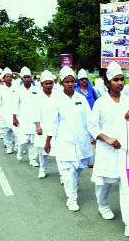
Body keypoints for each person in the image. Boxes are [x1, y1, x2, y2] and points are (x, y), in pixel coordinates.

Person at [87, 61, 129, 241]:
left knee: (126, 186)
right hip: (106, 149)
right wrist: (107, 139)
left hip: (125, 150)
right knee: (104, 183)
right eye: (116, 79)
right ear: (108, 82)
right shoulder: (101, 102)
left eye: (121, 79)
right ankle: (102, 205)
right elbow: (92, 126)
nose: (120, 82)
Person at [44, 66, 93, 212]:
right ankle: (71, 198)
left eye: (72, 81)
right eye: (67, 82)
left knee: (78, 168)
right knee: (69, 171)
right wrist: (48, 141)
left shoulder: (81, 98)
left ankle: (70, 183)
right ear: (61, 82)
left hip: (81, 140)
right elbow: (53, 122)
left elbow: (89, 119)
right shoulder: (57, 100)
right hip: (65, 141)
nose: (70, 84)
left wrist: (95, 136)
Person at [34, 70, 59, 179]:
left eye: (50, 83)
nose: (49, 85)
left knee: (59, 151)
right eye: (46, 83)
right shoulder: (37, 96)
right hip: (43, 126)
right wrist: (38, 126)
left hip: (56, 127)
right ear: (42, 84)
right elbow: (35, 111)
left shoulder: (58, 95)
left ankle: (63, 174)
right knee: (42, 150)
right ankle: (42, 169)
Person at [14, 66, 39, 166]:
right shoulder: (18, 89)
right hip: (22, 117)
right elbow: (15, 104)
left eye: (28, 77)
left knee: (32, 141)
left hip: (33, 117)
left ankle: (32, 160)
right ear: (21, 78)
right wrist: (14, 117)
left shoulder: (36, 89)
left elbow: (39, 104)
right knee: (23, 140)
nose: (27, 79)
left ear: (31, 77)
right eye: (25, 77)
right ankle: (20, 152)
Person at [75, 68, 99, 168]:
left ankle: (91, 160)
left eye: (85, 79)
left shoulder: (91, 90)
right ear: (79, 81)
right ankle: (81, 158)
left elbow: (97, 100)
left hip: (92, 116)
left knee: (94, 139)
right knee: (84, 139)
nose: (84, 81)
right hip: (81, 118)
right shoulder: (76, 91)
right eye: (81, 79)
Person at [0, 67, 17, 154]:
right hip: (4, 113)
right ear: (3, 78)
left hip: (15, 113)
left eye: (10, 76)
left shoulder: (17, 87)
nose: (9, 78)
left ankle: (17, 146)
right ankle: (9, 147)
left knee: (16, 131)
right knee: (5, 131)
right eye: (7, 76)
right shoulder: (0, 89)